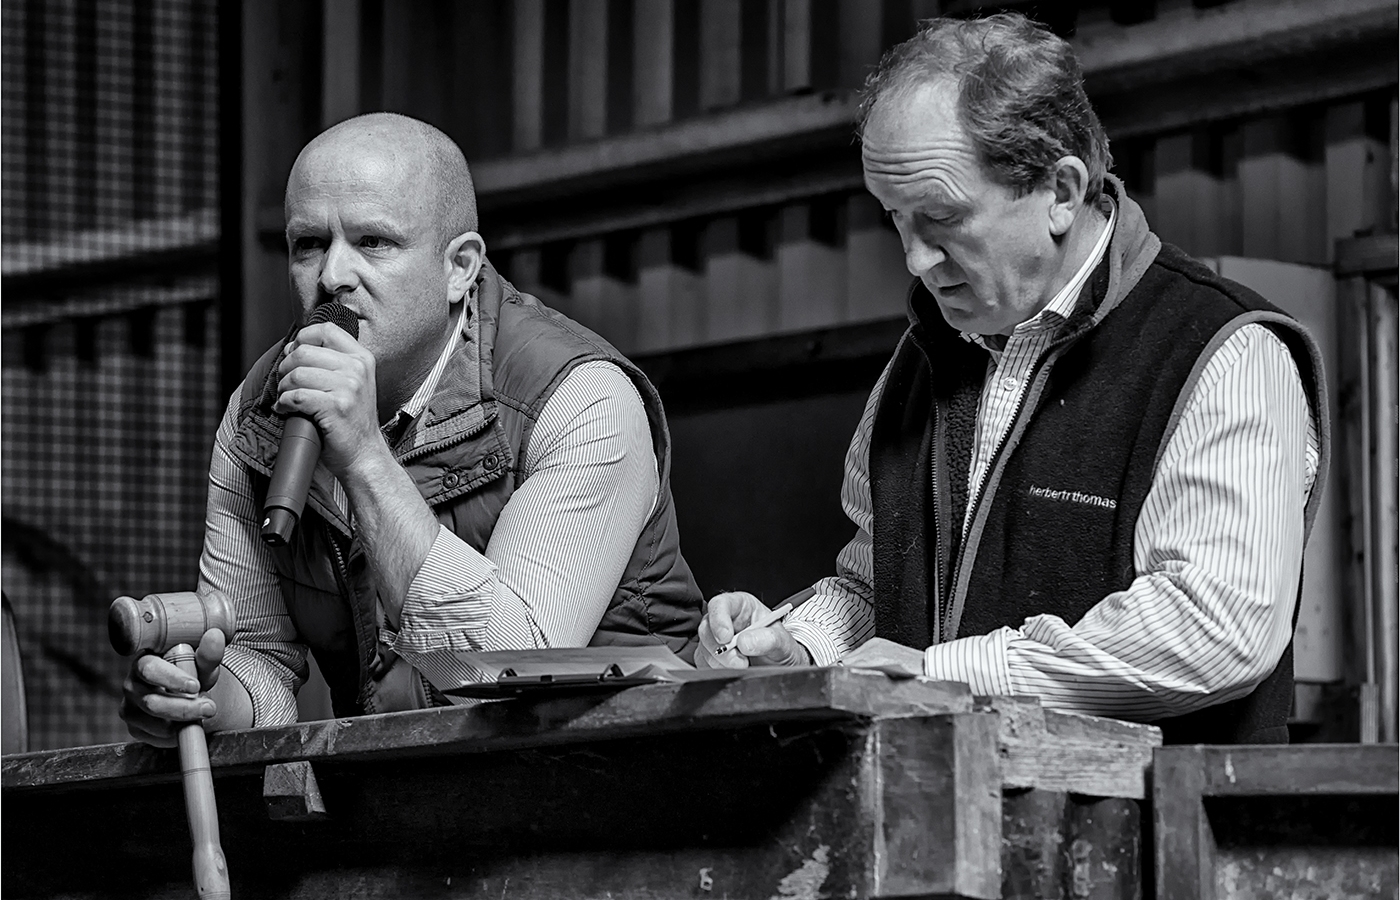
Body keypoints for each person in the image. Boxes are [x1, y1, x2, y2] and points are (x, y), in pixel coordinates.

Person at [696, 13, 1328, 745]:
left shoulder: (1221, 353)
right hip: (941, 820)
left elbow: (1214, 627)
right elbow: (877, 583)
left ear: (1061, 191)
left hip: (1150, 844)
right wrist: (798, 644)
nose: (915, 260)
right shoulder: (921, 363)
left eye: (942, 218)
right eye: (895, 220)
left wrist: (949, 674)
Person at [122, 113, 702, 743]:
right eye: (309, 244)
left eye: (373, 242)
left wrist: (365, 458)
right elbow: (259, 659)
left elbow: (513, 667)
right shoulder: (258, 418)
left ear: (461, 267)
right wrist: (201, 699)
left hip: (622, 778)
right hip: (423, 795)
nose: (332, 276)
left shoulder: (579, 396)